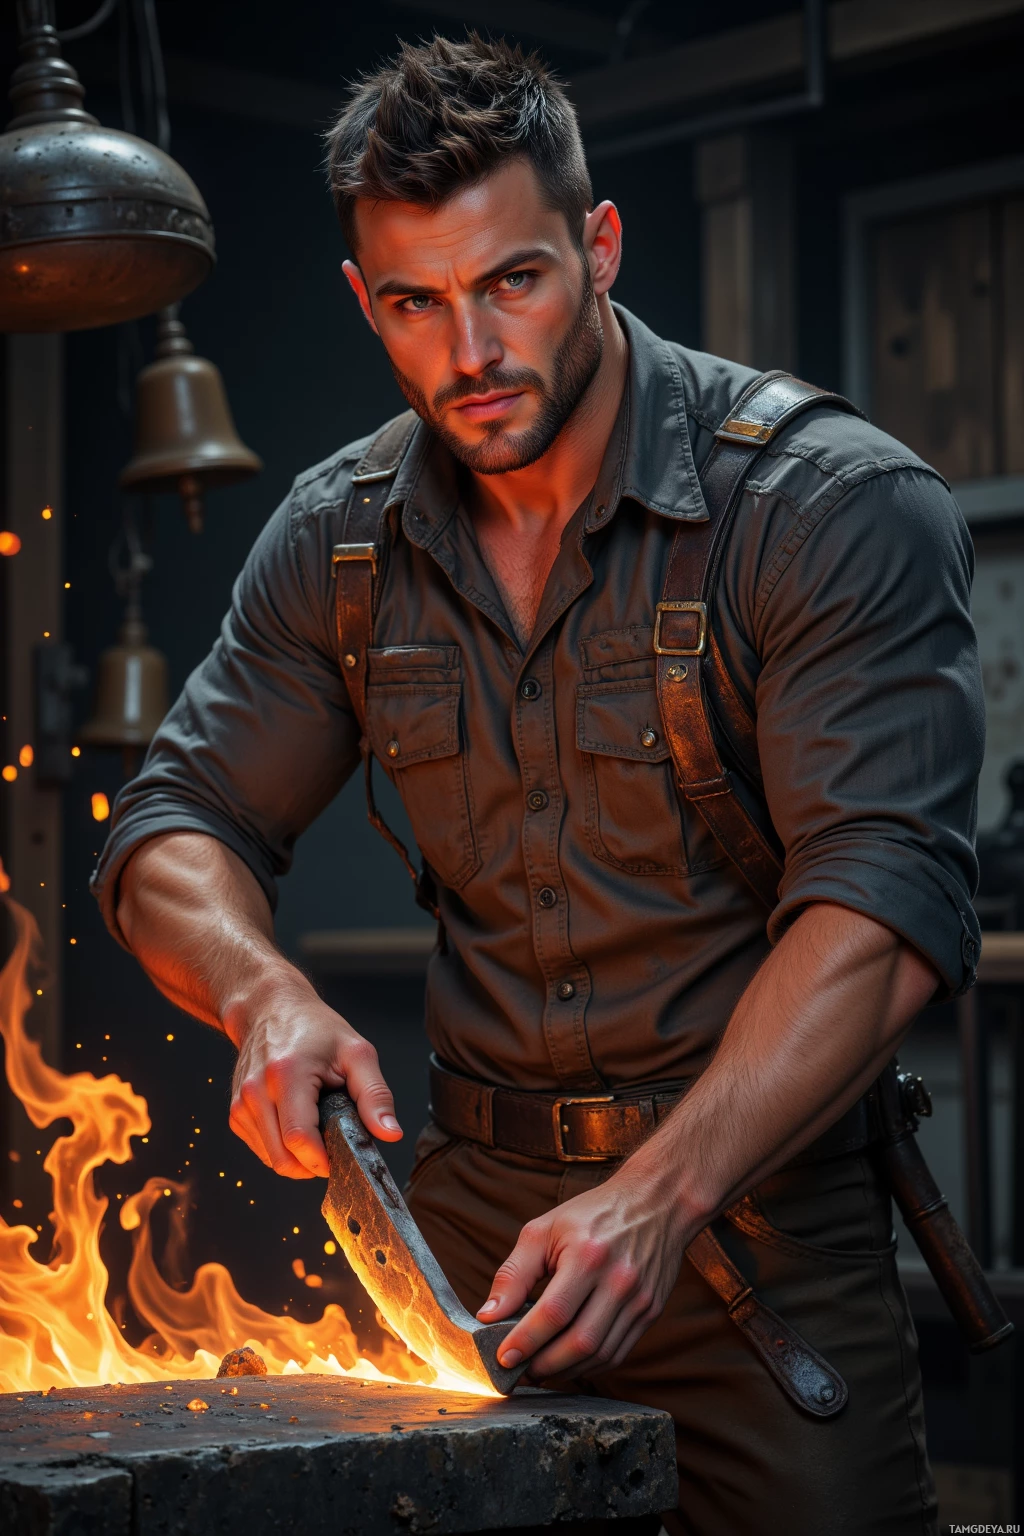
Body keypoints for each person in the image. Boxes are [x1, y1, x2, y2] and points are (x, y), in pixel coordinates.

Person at [92, 33, 983, 1536]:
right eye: (414, 304)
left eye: (513, 282)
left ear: (598, 245)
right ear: (361, 303)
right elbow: (171, 831)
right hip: (466, 1242)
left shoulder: (830, 507)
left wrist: (660, 1196)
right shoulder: (341, 540)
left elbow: (884, 905)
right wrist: (263, 994)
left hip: (759, 1231)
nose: (469, 354)